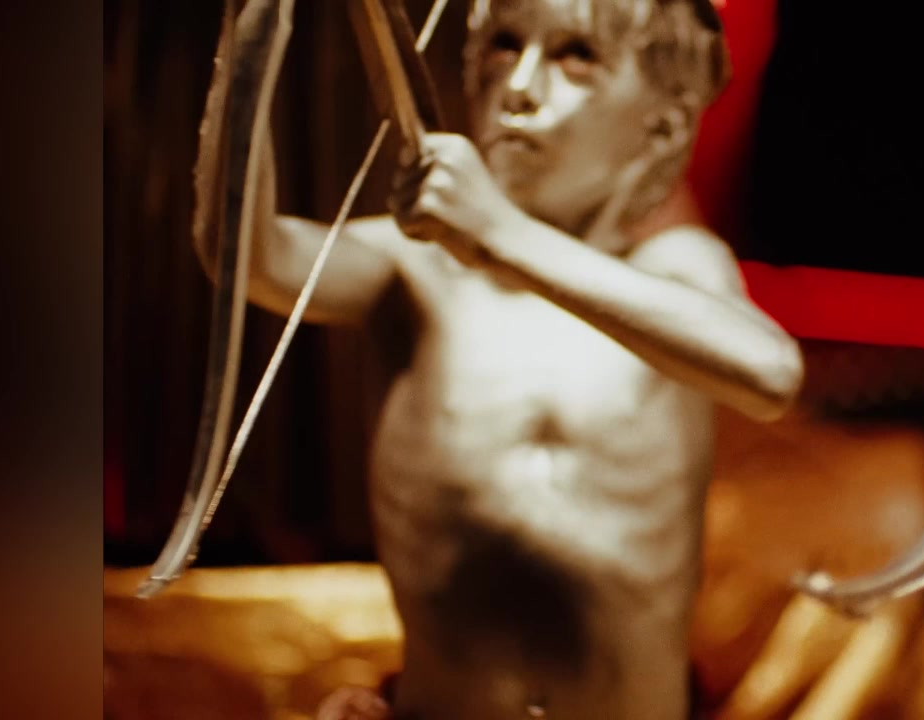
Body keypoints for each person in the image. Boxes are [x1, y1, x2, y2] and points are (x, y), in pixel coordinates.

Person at [193, 0, 803, 718]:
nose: (519, 86)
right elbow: (247, 253)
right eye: (505, 46)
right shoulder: (416, 265)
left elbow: (769, 372)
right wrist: (251, 48)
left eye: (576, 57)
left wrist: (501, 234)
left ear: (661, 126)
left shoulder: (675, 269)